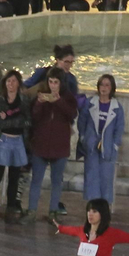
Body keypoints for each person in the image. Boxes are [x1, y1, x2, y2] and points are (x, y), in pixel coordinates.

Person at [25, 70, 76, 221]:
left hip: (59, 147)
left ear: (61, 83)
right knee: (36, 180)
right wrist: (40, 104)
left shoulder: (68, 97)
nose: (53, 86)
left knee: (56, 181)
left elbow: (72, 114)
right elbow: (34, 116)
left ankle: (53, 212)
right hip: (40, 145)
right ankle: (31, 211)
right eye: (51, 82)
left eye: (56, 82)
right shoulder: (41, 95)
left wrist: (58, 101)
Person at [0, 69, 29, 221]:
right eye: (8, 81)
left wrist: (10, 118)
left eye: (14, 81)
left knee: (14, 176)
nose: (11, 84)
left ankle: (11, 207)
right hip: (3, 140)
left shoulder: (24, 100)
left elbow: (27, 121)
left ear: (18, 83)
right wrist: (17, 118)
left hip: (17, 140)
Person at [75, 76, 123, 204]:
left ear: (112, 88)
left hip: (107, 147)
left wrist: (114, 145)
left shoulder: (117, 107)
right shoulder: (90, 103)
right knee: (91, 177)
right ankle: (92, 207)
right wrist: (84, 138)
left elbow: (119, 128)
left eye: (107, 85)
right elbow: (82, 121)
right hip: (91, 146)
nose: (104, 88)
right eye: (102, 85)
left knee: (106, 178)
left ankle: (104, 208)